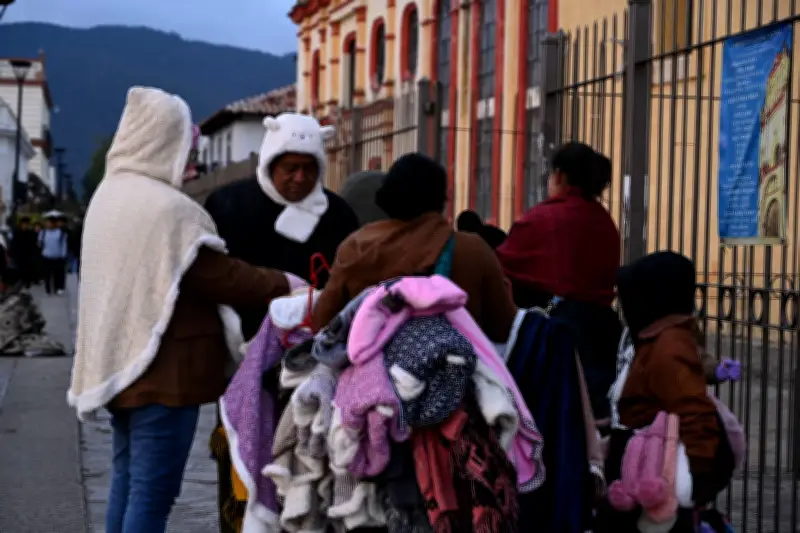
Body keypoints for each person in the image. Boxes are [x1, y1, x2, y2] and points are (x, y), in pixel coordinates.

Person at [68, 86, 299, 533]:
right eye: (183, 143)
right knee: (152, 496)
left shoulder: (109, 195)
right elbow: (218, 275)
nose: (189, 154)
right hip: (165, 374)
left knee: (127, 482)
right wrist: (286, 283)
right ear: (162, 140)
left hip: (122, 365)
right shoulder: (166, 208)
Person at [203, 112, 360, 533]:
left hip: (312, 366)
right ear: (271, 162)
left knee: (303, 460)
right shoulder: (229, 207)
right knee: (240, 455)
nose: (299, 177)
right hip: (240, 356)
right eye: (290, 167)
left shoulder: (338, 216)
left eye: (310, 168)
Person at [312, 152, 517, 343]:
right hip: (455, 375)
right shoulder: (472, 250)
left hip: (370, 377)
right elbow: (504, 328)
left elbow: (324, 322)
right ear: (441, 199)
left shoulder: (356, 247)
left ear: (385, 197)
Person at [597, 251, 735, 533]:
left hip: (660, 474)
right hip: (647, 466)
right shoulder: (657, 340)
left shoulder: (668, 347)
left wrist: (698, 478)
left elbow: (694, 410)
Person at [496, 142, 622, 422]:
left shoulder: (546, 218)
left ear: (560, 176)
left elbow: (500, 264)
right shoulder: (604, 221)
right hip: (603, 333)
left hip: (559, 334)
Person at [38, 216, 68, 295]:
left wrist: (63, 255)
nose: (47, 224)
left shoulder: (60, 233)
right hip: (46, 256)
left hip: (57, 257)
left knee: (57, 274)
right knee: (47, 274)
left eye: (49, 222)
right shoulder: (43, 232)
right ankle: (48, 289)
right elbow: (39, 243)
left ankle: (58, 288)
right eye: (47, 222)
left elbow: (63, 245)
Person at [10, 217, 39, 288]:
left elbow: (34, 245)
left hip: (29, 255)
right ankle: (19, 282)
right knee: (19, 270)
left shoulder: (32, 233)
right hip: (19, 255)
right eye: (24, 224)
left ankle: (27, 283)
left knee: (28, 270)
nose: (25, 226)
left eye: (27, 224)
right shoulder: (17, 233)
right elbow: (13, 244)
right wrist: (13, 254)